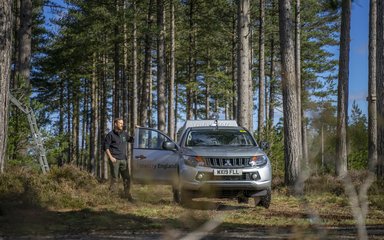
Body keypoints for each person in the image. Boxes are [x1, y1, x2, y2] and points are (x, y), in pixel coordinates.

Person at [104, 117, 134, 202]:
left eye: (122, 123)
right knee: (115, 179)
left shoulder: (124, 134)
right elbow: (106, 147)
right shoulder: (110, 135)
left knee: (127, 178)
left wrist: (137, 130)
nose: (122, 124)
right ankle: (112, 197)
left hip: (123, 160)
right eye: (120, 123)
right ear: (115, 124)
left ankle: (127, 195)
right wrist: (111, 157)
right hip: (115, 160)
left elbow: (132, 140)